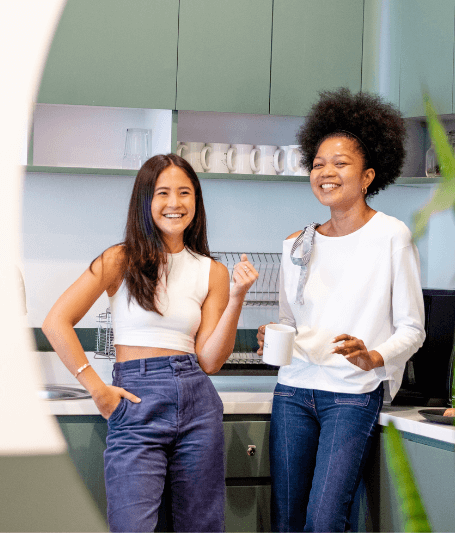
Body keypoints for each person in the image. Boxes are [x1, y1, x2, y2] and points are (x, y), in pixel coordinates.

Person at [43, 153, 257, 532]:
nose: (175, 203)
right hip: (136, 397)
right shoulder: (118, 259)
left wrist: (237, 297)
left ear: (197, 200)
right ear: (146, 200)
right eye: (163, 193)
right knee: (133, 524)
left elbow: (209, 360)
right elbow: (56, 322)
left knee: (200, 526)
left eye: (184, 193)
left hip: (197, 400)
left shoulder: (214, 272)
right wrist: (97, 388)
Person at [257, 88, 426, 532]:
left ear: (368, 175)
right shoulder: (298, 243)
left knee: (325, 519)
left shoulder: (392, 236)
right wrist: (272, 334)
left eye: (340, 163)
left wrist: (373, 357)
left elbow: (413, 328)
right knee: (288, 519)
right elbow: (291, 322)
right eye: (317, 164)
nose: (325, 172)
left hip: (352, 396)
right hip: (293, 389)